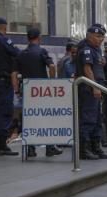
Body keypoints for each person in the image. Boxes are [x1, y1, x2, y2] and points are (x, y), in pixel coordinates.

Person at [11, 27, 63, 157]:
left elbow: (14, 74)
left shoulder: (21, 54)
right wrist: (51, 83)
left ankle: (30, 148)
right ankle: (50, 147)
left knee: (29, 118)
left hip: (27, 90)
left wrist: (17, 90)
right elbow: (51, 66)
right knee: (46, 117)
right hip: (42, 91)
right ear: (39, 38)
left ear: (28, 39)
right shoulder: (41, 52)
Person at [75, 25, 107, 160]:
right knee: (88, 118)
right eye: (97, 36)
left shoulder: (95, 49)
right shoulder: (86, 49)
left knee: (97, 119)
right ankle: (84, 149)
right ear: (89, 36)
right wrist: (95, 87)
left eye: (102, 37)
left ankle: (95, 147)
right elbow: (87, 69)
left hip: (96, 87)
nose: (100, 39)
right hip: (89, 89)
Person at [0, 17, 20, 156]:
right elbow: (16, 53)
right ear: (4, 27)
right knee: (4, 112)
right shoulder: (3, 40)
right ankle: (2, 145)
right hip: (3, 82)